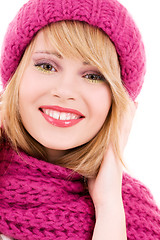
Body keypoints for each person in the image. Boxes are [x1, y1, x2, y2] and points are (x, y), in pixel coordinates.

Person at [0, 0, 160, 239]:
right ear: (16, 77)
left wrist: (108, 209)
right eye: (46, 66)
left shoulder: (135, 218)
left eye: (93, 76)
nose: (65, 91)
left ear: (119, 103)